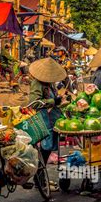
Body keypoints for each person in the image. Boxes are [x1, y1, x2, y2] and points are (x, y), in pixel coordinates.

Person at [28, 57, 67, 191]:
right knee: (46, 146)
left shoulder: (50, 84)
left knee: (49, 147)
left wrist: (60, 101)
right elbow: (34, 103)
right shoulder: (37, 84)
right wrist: (52, 101)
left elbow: (54, 100)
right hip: (43, 118)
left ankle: (41, 178)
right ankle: (39, 178)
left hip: (53, 119)